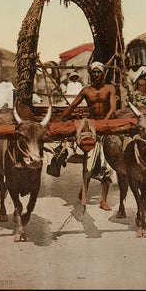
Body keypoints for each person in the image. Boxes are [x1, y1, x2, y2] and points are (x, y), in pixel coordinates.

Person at [59, 61, 116, 211]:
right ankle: (84, 190)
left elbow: (112, 108)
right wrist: (59, 120)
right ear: (91, 74)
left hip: (106, 127)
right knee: (88, 162)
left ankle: (103, 201)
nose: (97, 75)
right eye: (94, 72)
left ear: (103, 74)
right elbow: (72, 107)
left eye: (99, 72)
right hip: (91, 128)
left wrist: (103, 124)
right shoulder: (86, 91)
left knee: (106, 166)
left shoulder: (110, 88)